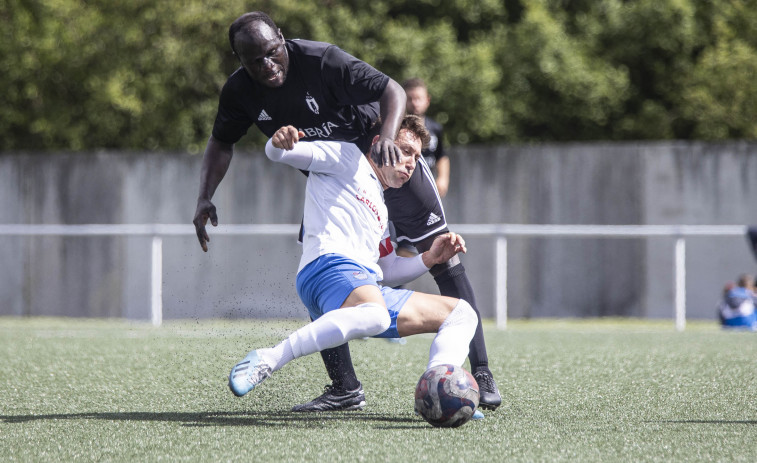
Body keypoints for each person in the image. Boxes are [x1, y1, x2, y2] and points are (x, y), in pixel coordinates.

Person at [193, 11, 501, 413]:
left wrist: (391, 146)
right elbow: (226, 142)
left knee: (446, 261)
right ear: (240, 61)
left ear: (282, 40)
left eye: (272, 54)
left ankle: (476, 376)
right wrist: (204, 195)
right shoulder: (242, 94)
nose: (267, 66)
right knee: (325, 257)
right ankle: (342, 386)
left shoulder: (322, 61)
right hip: (338, 172)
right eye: (255, 61)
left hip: (382, 160)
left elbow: (393, 90)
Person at [228, 117, 479, 412]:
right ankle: (270, 358)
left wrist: (429, 258)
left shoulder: (382, 210)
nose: (413, 162)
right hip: (325, 268)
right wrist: (277, 140)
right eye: (406, 150)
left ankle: (440, 391)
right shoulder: (346, 157)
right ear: (379, 144)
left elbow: (386, 270)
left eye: (418, 156)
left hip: (361, 283)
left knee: (462, 315)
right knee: (376, 315)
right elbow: (278, 153)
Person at [403, 78, 449, 198]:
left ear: (427, 100)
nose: (414, 103)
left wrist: (443, 179)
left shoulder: (435, 128)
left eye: (418, 98)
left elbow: (441, 156)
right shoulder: (398, 128)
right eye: (410, 99)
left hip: (426, 188)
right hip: (402, 187)